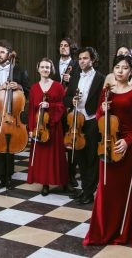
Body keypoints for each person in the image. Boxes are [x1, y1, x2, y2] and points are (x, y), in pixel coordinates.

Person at [83, 55, 132, 245]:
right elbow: (100, 117)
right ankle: (103, 230)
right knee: (106, 190)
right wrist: (102, 108)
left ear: (131, 72)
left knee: (123, 192)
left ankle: (123, 231)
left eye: (125, 68)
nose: (120, 71)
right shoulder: (106, 91)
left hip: (126, 146)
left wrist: (128, 142)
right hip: (108, 144)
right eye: (117, 67)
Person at [0, 39, 30, 191]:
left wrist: (20, 86)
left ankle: (9, 177)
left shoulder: (20, 71)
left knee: (11, 147)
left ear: (9, 54)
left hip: (13, 114)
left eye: (2, 52)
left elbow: (29, 91)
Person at [64, 47, 105, 205]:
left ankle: (89, 192)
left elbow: (102, 100)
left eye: (85, 58)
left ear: (92, 60)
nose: (82, 61)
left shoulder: (100, 78)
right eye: (80, 58)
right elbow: (65, 98)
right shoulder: (74, 77)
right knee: (80, 156)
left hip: (92, 120)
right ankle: (85, 189)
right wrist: (71, 101)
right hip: (76, 121)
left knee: (91, 158)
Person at [27, 58, 69, 196]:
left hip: (54, 126)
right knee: (42, 156)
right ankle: (45, 184)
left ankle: (62, 182)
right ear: (38, 69)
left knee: (56, 156)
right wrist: (31, 129)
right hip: (39, 126)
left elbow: (63, 106)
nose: (45, 69)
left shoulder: (58, 86)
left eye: (48, 67)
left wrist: (49, 106)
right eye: (43, 67)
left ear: (51, 70)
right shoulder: (34, 88)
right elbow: (32, 110)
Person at [52, 37, 80, 188]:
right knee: (56, 141)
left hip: (69, 107)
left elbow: (80, 83)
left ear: (71, 48)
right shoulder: (52, 64)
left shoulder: (76, 65)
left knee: (70, 143)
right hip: (56, 106)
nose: (63, 47)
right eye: (61, 45)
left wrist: (71, 79)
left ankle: (71, 174)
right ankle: (57, 173)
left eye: (66, 45)